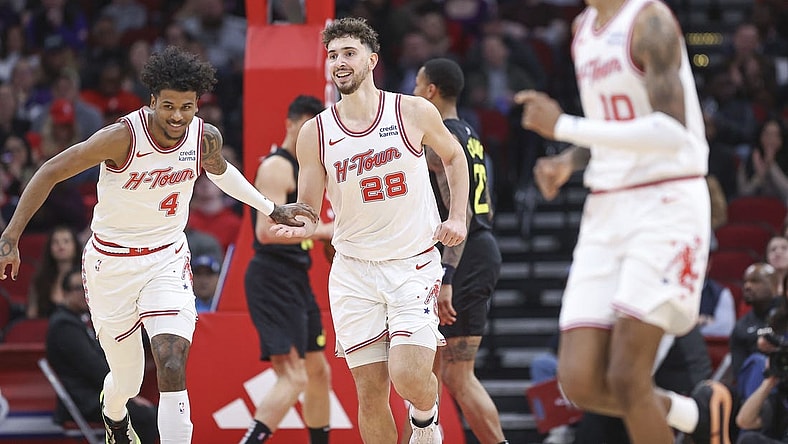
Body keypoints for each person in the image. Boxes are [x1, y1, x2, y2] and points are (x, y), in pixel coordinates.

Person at [0, 45, 315, 444]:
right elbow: (50, 171)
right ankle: (114, 414)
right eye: (168, 106)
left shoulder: (205, 137)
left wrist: (270, 208)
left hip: (166, 259)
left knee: (170, 359)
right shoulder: (121, 137)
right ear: (152, 101)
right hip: (110, 264)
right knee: (127, 381)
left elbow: (221, 173)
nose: (177, 116)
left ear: (197, 105)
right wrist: (10, 236)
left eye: (187, 107)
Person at [513, 0, 733, 442]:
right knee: (577, 381)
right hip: (607, 206)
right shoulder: (584, 29)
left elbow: (669, 131)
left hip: (666, 201)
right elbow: (613, 127)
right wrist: (568, 162)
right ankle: (695, 415)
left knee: (628, 376)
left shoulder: (650, 20)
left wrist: (564, 127)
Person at [271, 17, 470, 444]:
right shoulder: (315, 132)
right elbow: (309, 202)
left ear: (372, 60)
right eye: (332, 56)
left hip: (411, 264)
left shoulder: (411, 111)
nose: (339, 63)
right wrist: (298, 220)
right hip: (354, 272)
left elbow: (454, 158)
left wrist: (457, 217)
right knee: (369, 391)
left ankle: (425, 417)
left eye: (348, 53)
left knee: (408, 376)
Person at [411, 57, 507, 444]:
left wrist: (448, 276)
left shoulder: (442, 141)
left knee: (456, 375)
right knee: (425, 370)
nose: (415, 93)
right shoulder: (470, 133)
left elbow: (461, 213)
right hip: (474, 249)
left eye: (418, 85)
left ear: (431, 90)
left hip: (464, 256)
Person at [240, 95, 332, 444]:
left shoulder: (308, 169)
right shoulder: (277, 167)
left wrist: (322, 239)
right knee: (293, 377)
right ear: (291, 124)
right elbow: (265, 232)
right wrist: (323, 230)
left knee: (318, 371)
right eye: (306, 127)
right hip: (272, 278)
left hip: (296, 277)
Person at [46, 267, 158, 442]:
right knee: (146, 416)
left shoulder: (82, 319)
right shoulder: (64, 326)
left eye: (87, 288)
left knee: (152, 412)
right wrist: (127, 395)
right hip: (85, 399)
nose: (85, 293)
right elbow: (93, 367)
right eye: (79, 289)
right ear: (65, 293)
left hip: (98, 392)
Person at [27, 225, 82, 319]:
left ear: (75, 246)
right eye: (55, 242)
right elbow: (32, 315)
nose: (61, 246)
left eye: (66, 241)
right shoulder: (40, 280)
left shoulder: (85, 278)